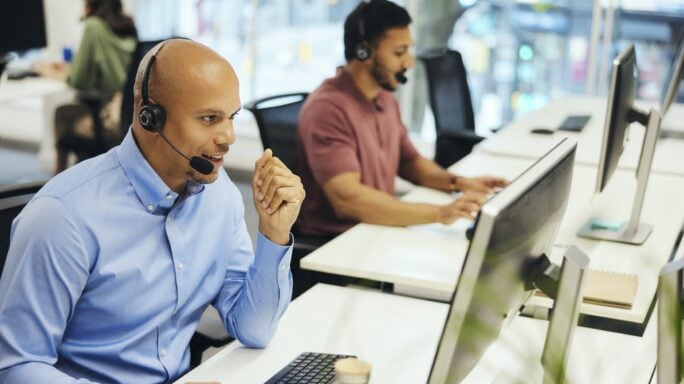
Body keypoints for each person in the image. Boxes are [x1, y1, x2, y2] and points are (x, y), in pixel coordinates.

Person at [0, 39, 305, 383]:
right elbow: (17, 366)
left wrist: (274, 233)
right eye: (209, 118)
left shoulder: (220, 199)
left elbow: (254, 329)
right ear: (150, 116)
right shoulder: (62, 217)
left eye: (231, 117)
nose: (228, 137)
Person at [296, 0, 507, 238]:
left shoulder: (384, 99)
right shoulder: (328, 109)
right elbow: (348, 200)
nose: (409, 62)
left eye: (408, 50)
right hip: (336, 243)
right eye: (399, 52)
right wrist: (441, 213)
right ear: (363, 52)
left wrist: (458, 183)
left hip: (376, 229)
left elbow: (410, 163)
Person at [34, 0, 138, 172]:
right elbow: (113, 71)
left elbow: (79, 81)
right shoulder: (128, 26)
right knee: (70, 112)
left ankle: (58, 177)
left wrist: (53, 72)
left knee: (62, 113)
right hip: (127, 115)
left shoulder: (93, 26)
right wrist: (70, 69)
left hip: (109, 119)